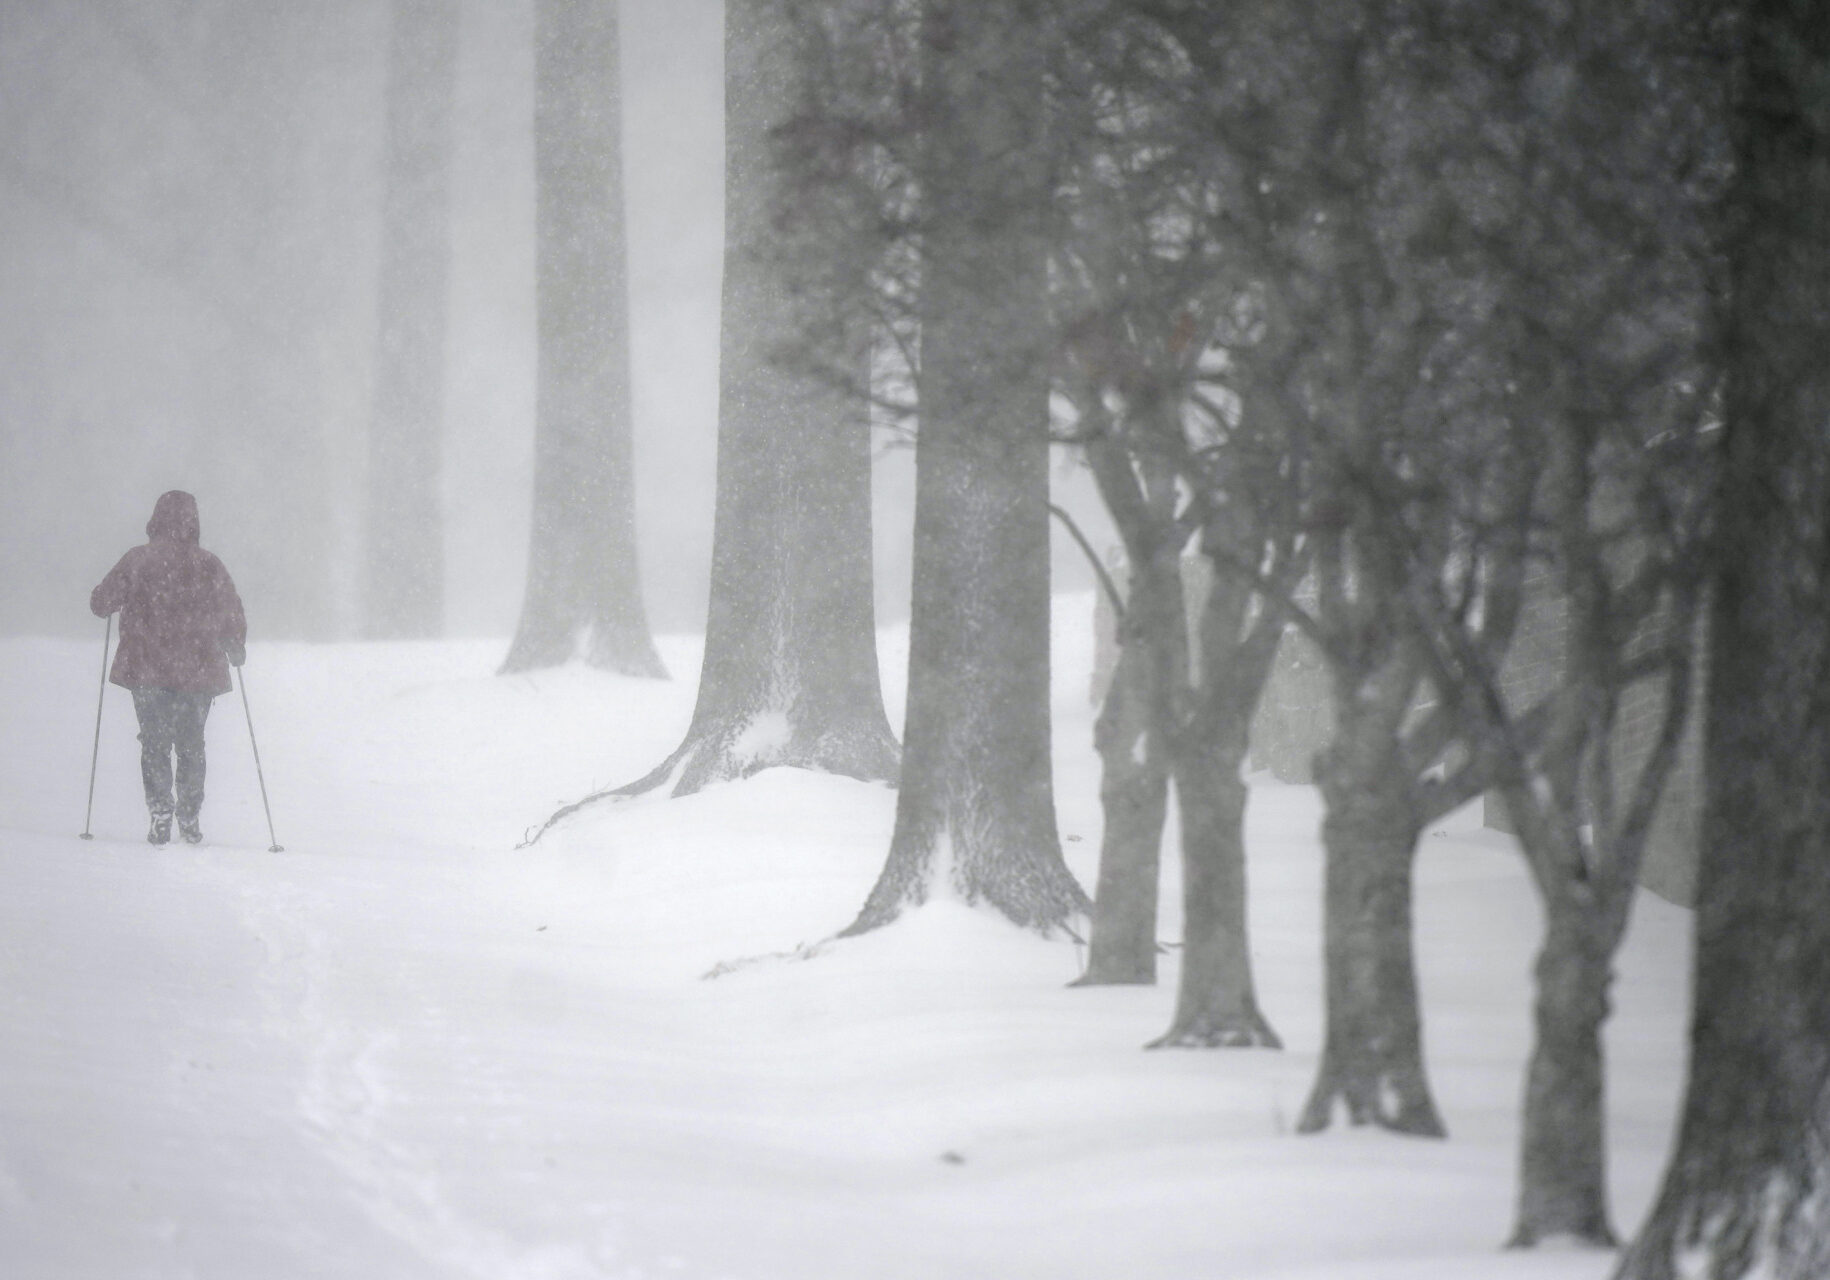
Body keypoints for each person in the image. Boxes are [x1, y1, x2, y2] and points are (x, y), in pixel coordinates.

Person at [90, 491, 247, 845]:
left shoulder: (138, 560)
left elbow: (102, 603)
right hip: (198, 668)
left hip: (147, 667)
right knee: (192, 744)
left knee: (154, 742)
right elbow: (229, 608)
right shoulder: (208, 564)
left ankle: (160, 809)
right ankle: (189, 815)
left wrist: (103, 599)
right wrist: (235, 643)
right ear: (194, 521)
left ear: (155, 519)